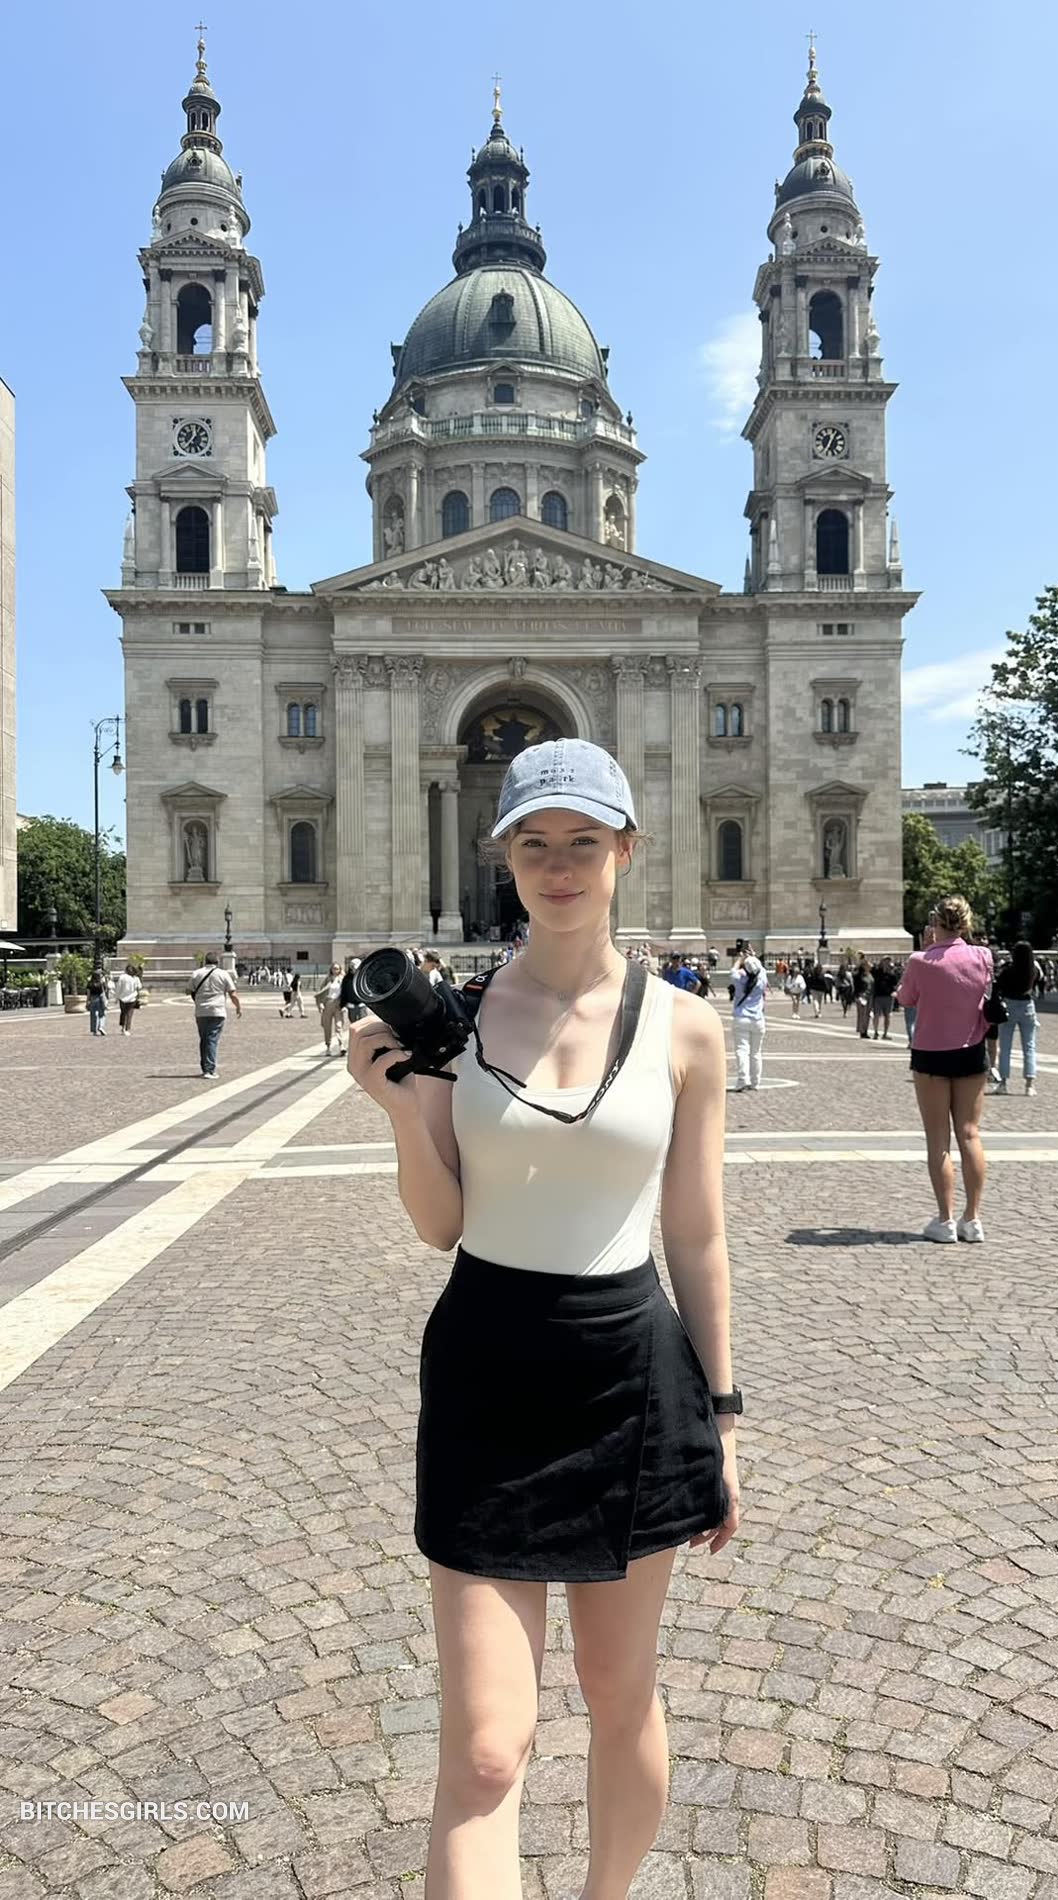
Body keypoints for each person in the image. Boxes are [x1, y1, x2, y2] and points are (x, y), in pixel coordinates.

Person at [346, 735, 740, 1895]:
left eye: (582, 841)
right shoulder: (459, 1023)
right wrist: (400, 1112)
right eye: (533, 844)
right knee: (483, 1747)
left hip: (632, 1374)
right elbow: (441, 1223)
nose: (558, 865)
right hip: (487, 1368)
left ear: (626, 851)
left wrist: (723, 1417)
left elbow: (696, 1234)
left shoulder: (686, 1026)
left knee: (620, 1696)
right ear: (503, 857)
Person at [896, 895, 991, 1243]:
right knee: (970, 1134)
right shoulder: (982, 956)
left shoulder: (921, 960)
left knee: (938, 1140)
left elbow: (905, 998)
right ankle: (973, 1219)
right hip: (971, 1050)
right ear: (966, 923)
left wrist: (927, 950)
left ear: (935, 924)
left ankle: (945, 1220)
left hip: (931, 1053)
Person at [993, 940, 1039, 1097]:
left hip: (1009, 1005)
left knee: (1005, 1047)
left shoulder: (1008, 970)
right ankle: (1029, 1084)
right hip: (1027, 1006)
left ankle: (1003, 1083)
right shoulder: (1033, 970)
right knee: (1029, 1046)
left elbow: (998, 985)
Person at [187, 950, 242, 1078]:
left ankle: (205, 1067)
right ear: (217, 962)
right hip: (218, 1011)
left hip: (201, 1011)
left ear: (205, 961)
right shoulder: (223, 974)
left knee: (204, 1039)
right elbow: (232, 994)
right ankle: (210, 1070)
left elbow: (188, 990)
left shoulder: (197, 973)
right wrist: (238, 1007)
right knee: (212, 1039)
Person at [731, 953, 768, 1090]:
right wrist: (753, 956)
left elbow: (732, 971)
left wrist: (739, 959)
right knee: (756, 1053)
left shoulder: (739, 979)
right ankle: (755, 1082)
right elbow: (761, 969)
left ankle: (742, 1079)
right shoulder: (762, 979)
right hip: (758, 1019)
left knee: (742, 1051)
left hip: (741, 1017)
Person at [315, 962, 346, 1055]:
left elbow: (346, 993)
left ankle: (341, 1045)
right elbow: (320, 993)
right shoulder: (327, 979)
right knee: (327, 1026)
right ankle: (328, 1047)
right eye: (334, 968)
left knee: (339, 1025)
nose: (335, 970)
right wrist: (320, 1003)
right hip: (328, 1003)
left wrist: (344, 1005)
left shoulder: (343, 979)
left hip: (338, 1004)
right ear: (331, 969)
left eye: (337, 968)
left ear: (340, 970)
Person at [870, 958, 897, 1040]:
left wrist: (894, 992)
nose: (887, 964)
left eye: (888, 962)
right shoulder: (877, 972)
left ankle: (885, 1033)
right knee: (876, 1015)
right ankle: (875, 1032)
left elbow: (895, 985)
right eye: (885, 962)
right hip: (878, 997)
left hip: (888, 997)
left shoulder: (892, 974)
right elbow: (870, 968)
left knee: (887, 1016)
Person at [114, 962, 142, 1036]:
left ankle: (123, 1027)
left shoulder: (122, 977)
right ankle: (127, 1028)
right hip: (132, 998)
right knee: (129, 1014)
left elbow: (118, 988)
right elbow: (139, 988)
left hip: (122, 998)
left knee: (123, 1013)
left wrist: (116, 997)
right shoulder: (136, 978)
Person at [338, 955, 366, 1027]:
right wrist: (342, 1005)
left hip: (362, 1004)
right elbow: (344, 992)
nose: (355, 970)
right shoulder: (346, 979)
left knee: (363, 1024)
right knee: (354, 1025)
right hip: (351, 1006)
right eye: (353, 968)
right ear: (351, 967)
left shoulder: (363, 978)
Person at [86, 965, 108, 1036]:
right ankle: (101, 1026)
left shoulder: (90, 983)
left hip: (93, 998)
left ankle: (94, 1030)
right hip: (100, 998)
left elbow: (88, 993)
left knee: (93, 1015)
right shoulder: (101, 983)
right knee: (102, 1013)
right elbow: (104, 991)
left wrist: (87, 1001)